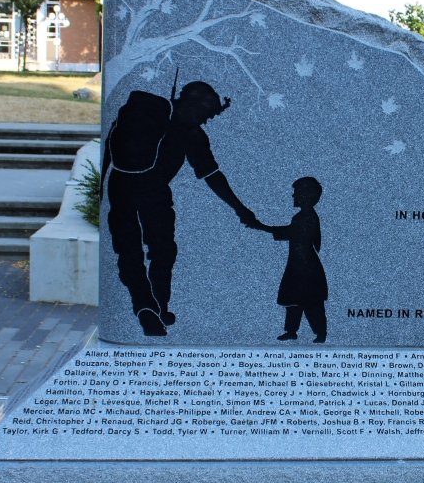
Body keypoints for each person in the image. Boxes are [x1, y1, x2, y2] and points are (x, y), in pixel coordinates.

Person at [101, 81, 258, 336]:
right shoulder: (190, 132)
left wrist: (100, 190)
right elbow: (212, 175)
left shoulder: (142, 114)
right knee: (161, 250)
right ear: (194, 105)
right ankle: (157, 307)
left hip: (120, 186)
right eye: (206, 114)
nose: (206, 120)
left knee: (129, 251)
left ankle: (146, 307)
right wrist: (241, 209)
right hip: (155, 192)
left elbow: (109, 145)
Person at [252, 177, 328, 344]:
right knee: (294, 300)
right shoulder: (302, 216)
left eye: (297, 193)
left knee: (311, 302)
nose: (293, 196)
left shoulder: (306, 217)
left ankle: (320, 333)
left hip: (306, 267)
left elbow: (291, 233)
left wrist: (261, 226)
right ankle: (292, 331)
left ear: (306, 195)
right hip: (299, 264)